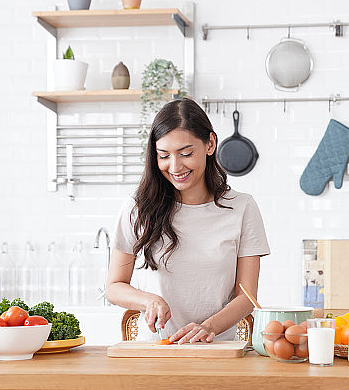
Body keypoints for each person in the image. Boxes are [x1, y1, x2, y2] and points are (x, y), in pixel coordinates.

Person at [106, 98, 270, 343]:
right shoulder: (137, 208)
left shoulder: (242, 207)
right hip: (157, 352)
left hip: (218, 351)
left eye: (186, 153)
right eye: (164, 156)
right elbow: (114, 286)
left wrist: (208, 327)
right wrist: (149, 300)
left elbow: (246, 297)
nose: (175, 167)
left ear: (210, 144)